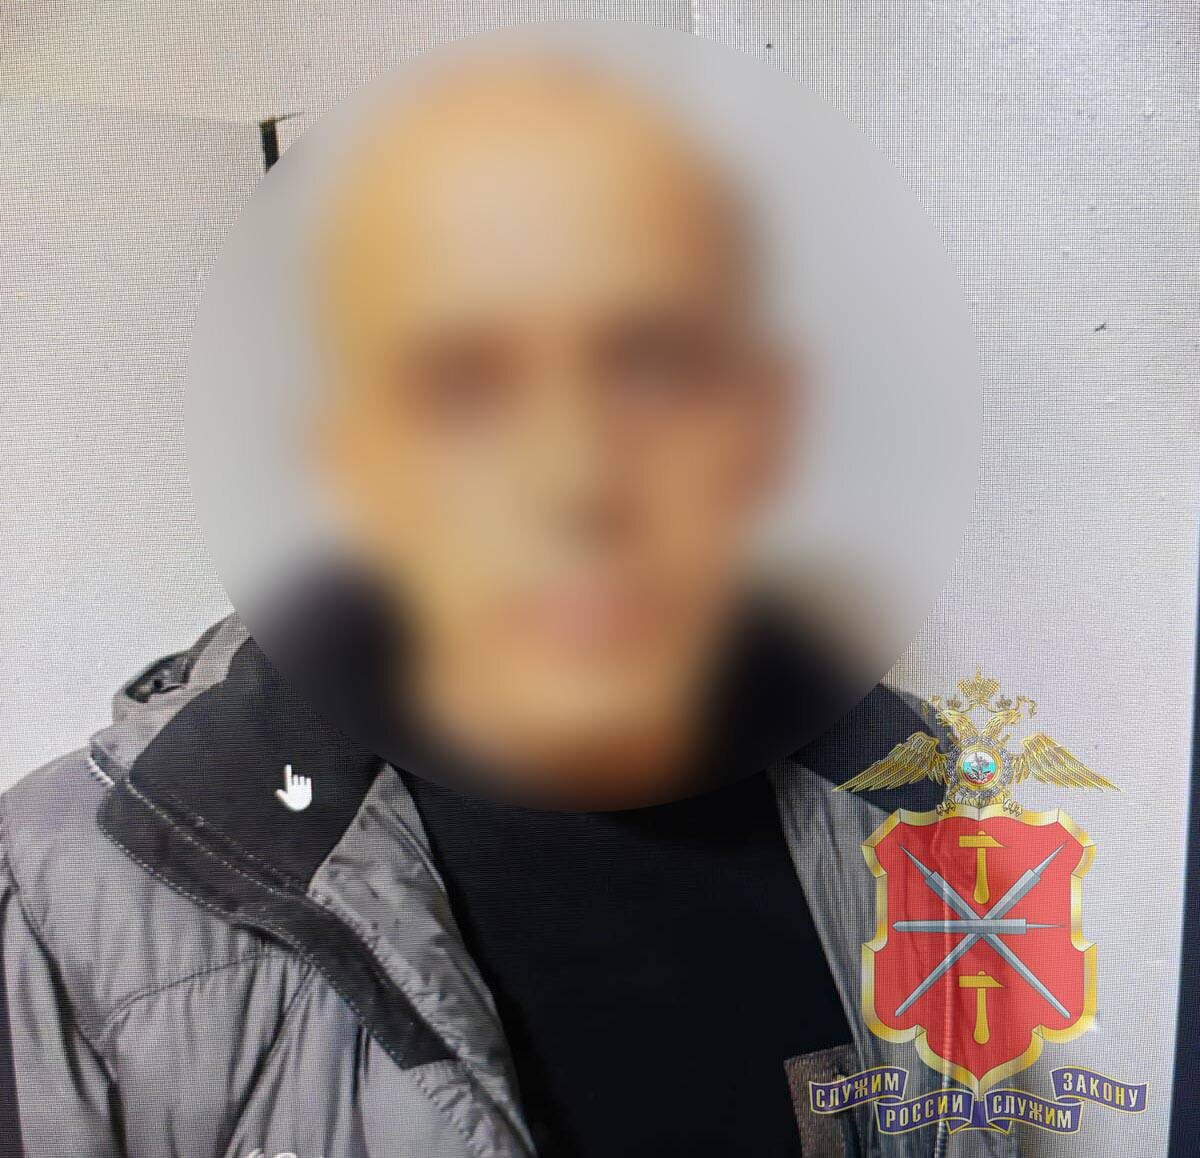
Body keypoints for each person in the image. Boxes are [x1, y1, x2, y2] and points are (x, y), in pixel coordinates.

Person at [0, 58, 998, 1157]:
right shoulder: (65, 906)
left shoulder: (897, 795)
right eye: (458, 383)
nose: (576, 474)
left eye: (659, 366)